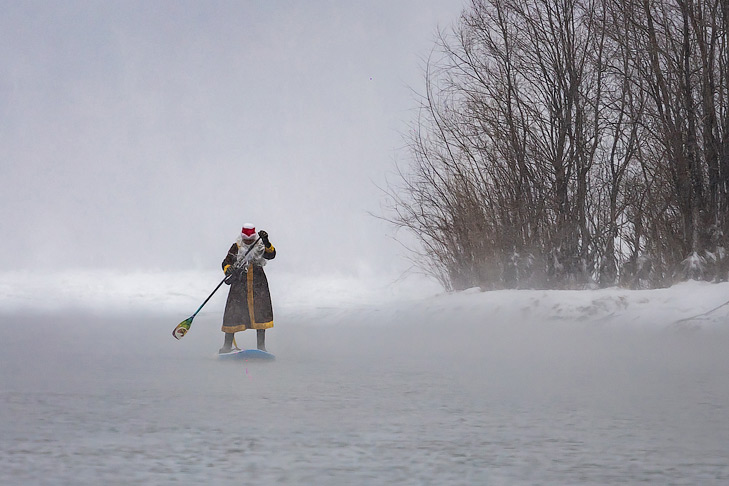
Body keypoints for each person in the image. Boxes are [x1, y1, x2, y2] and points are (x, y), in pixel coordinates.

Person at [219, 223, 276, 353]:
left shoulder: (260, 246)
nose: (248, 241)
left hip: (258, 284)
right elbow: (226, 262)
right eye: (246, 240)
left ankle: (261, 346)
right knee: (233, 313)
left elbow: (271, 255)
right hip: (239, 284)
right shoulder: (236, 247)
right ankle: (227, 345)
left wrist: (266, 241)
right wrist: (229, 270)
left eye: (250, 239)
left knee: (260, 312)